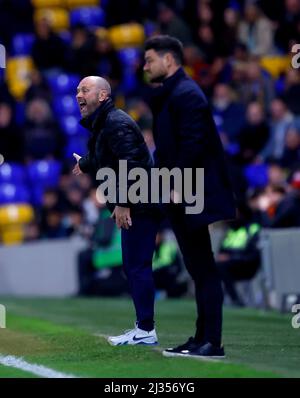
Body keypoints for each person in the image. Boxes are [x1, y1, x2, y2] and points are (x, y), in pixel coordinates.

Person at [144, 35, 236, 359]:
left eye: (150, 60)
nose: (145, 66)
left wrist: (176, 184)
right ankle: (201, 338)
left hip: (192, 190)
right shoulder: (173, 94)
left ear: (169, 61)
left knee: (204, 268)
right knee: (197, 267)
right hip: (183, 189)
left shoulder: (186, 94)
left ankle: (213, 341)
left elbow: (192, 145)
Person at [73, 76, 160, 345]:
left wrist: (124, 203)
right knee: (133, 265)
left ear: (102, 96)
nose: (78, 95)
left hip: (140, 203)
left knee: (137, 265)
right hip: (139, 201)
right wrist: (86, 164)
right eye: (77, 90)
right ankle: (143, 327)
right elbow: (105, 155)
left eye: (85, 90)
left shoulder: (115, 122)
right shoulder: (105, 123)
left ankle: (145, 330)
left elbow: (132, 162)